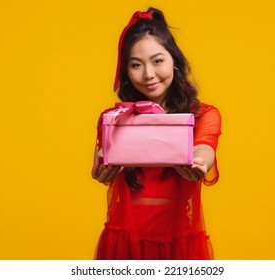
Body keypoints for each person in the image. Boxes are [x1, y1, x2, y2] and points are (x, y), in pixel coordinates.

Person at [91, 7, 222, 260]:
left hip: (178, 243)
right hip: (124, 243)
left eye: (158, 60)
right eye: (136, 65)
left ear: (175, 61)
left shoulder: (203, 115)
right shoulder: (115, 118)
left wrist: (200, 162)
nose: (148, 74)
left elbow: (204, 149)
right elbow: (99, 164)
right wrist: (100, 165)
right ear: (126, 71)